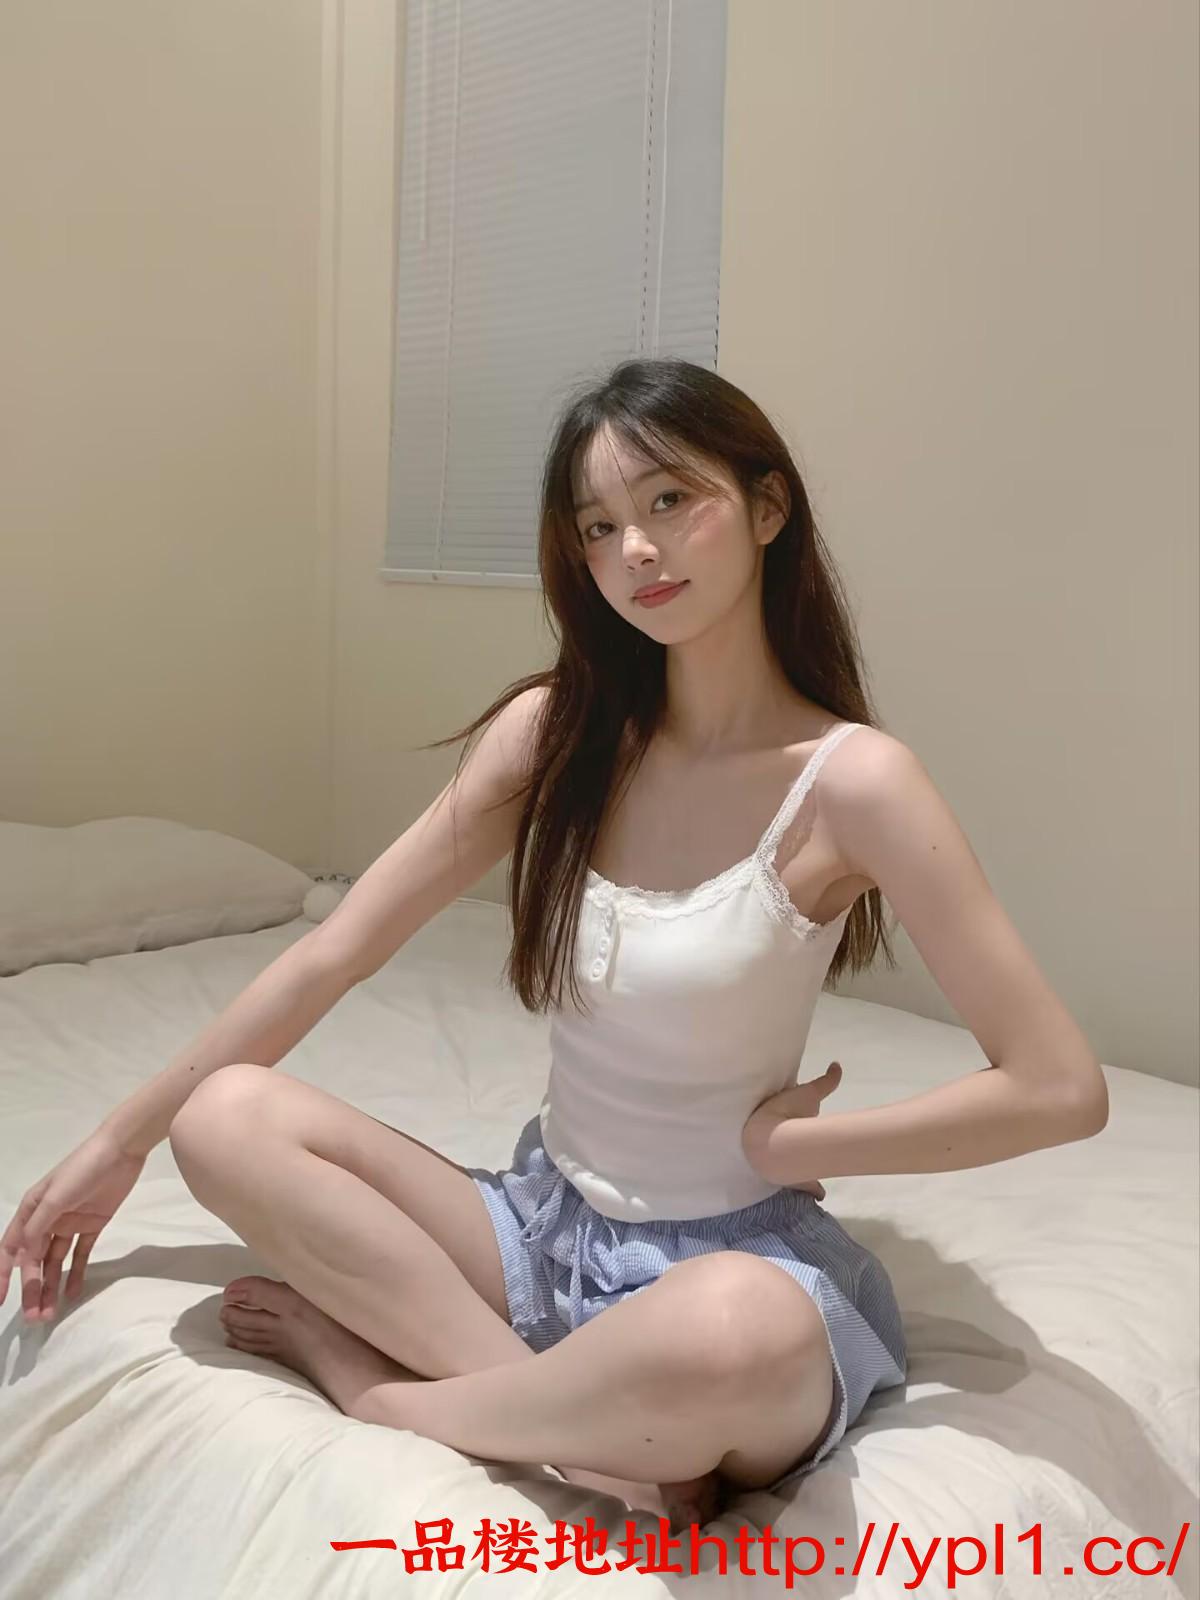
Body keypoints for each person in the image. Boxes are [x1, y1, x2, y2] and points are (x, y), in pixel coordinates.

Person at [0, 357, 1107, 1533]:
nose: (637, 548)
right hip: (542, 1234)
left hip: (728, 1262)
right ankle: (572, 1424)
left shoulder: (854, 783)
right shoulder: (557, 735)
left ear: (768, 507)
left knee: (731, 1332)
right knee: (221, 1118)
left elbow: (1058, 1087)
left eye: (671, 499)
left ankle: (391, 1394)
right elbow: (335, 951)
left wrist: (798, 1145)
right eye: (600, 525)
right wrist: (119, 1142)